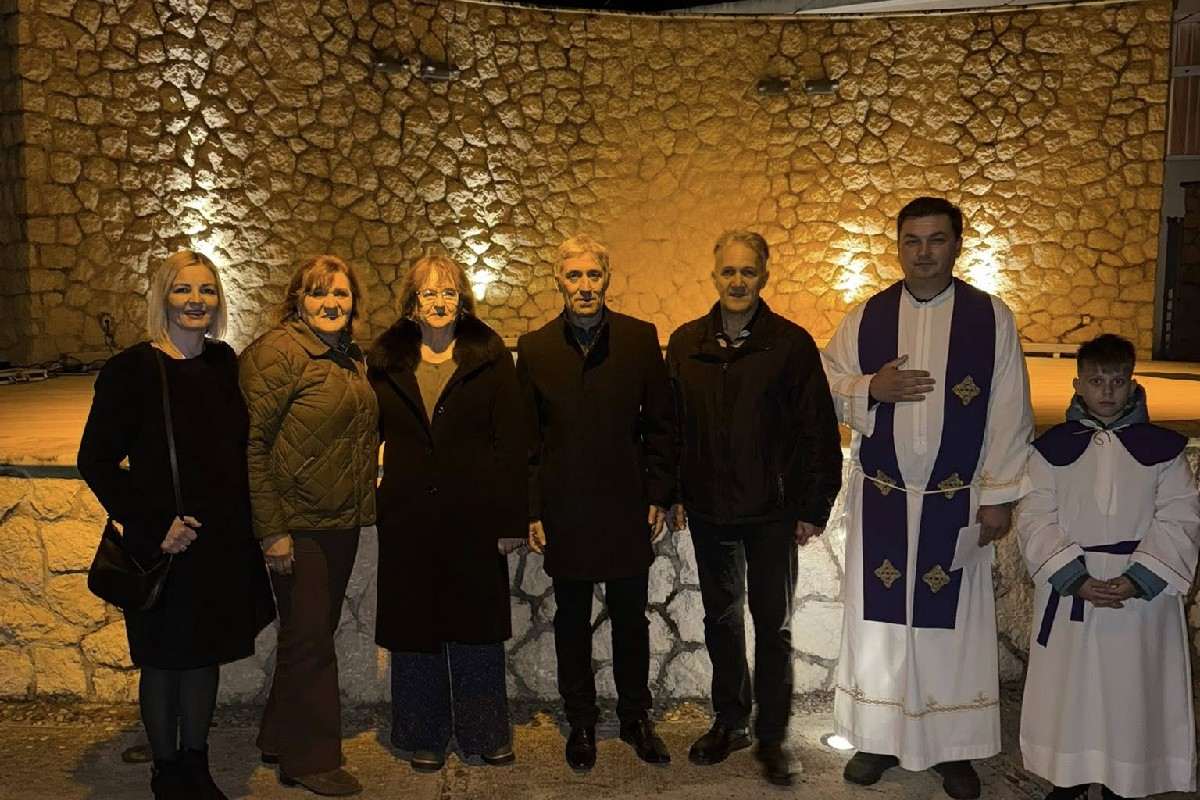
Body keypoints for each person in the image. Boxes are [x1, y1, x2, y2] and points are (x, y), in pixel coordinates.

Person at [821, 197, 1033, 799]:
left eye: (936, 239)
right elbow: (823, 382)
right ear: (898, 246)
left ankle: (951, 748)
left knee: (951, 631)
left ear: (957, 245)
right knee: (881, 626)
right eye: (912, 241)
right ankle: (878, 737)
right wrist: (872, 387)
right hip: (883, 498)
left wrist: (999, 495)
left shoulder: (989, 318)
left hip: (956, 500)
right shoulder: (868, 316)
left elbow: (1010, 408)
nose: (923, 252)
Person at [78, 250, 274, 800]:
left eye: (207, 290)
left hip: (218, 543)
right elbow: (95, 460)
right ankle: (166, 772)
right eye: (183, 289)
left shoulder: (224, 363)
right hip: (163, 542)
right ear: (163, 297)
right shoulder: (132, 371)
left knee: (204, 657)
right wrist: (154, 524)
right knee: (163, 662)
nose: (196, 300)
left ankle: (196, 764)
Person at [666, 230, 843, 786]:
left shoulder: (790, 344)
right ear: (714, 276)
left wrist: (814, 505)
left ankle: (772, 737)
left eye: (748, 271)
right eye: (729, 271)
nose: (738, 281)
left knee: (773, 627)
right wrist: (672, 492)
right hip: (710, 510)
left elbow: (818, 429)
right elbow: (671, 427)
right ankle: (730, 721)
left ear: (763, 276)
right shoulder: (686, 343)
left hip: (772, 512)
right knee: (720, 621)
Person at [517, 234, 675, 771]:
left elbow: (661, 425)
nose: (584, 286)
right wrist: (532, 510)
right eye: (574, 275)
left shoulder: (639, 338)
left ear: (606, 279)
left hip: (626, 506)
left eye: (593, 275)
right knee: (571, 622)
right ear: (558, 280)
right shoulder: (535, 348)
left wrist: (658, 494)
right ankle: (580, 721)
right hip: (565, 510)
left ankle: (635, 718)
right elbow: (528, 443)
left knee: (631, 620)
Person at [1016, 333, 1199, 800]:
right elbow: (1035, 515)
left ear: (1132, 383)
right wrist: (1072, 576)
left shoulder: (1164, 450)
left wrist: (1140, 578)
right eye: (1096, 381)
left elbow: (1181, 516)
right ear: (1077, 385)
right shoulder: (1050, 449)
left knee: (1129, 692)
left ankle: (1126, 779)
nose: (1107, 391)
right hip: (1072, 590)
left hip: (1139, 595)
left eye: (1117, 381)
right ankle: (1070, 775)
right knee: (1070, 691)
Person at [367, 254, 527, 771]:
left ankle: (485, 731)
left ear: (462, 301)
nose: (439, 302)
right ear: (412, 304)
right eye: (428, 293)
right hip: (408, 517)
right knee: (416, 627)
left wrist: (510, 520)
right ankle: (424, 734)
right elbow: (367, 434)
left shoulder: (490, 358)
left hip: (474, 517)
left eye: (449, 292)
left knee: (477, 628)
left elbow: (511, 443)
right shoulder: (385, 362)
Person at [239, 255, 379, 797]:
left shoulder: (347, 354)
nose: (331, 303)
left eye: (340, 294)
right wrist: (272, 531)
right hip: (298, 524)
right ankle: (311, 760)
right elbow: (253, 446)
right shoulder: (276, 353)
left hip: (339, 518)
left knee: (307, 634)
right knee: (312, 642)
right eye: (318, 293)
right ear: (297, 299)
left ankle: (279, 736)